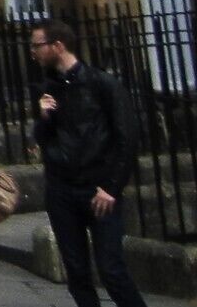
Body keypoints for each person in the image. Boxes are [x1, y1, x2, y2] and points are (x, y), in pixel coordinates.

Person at [32, 20, 147, 307]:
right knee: (77, 273)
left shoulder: (102, 84)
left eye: (37, 45)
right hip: (61, 189)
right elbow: (42, 142)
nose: (32, 52)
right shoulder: (47, 88)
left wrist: (111, 187)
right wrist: (43, 118)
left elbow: (127, 137)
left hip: (99, 189)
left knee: (111, 269)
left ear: (58, 46)